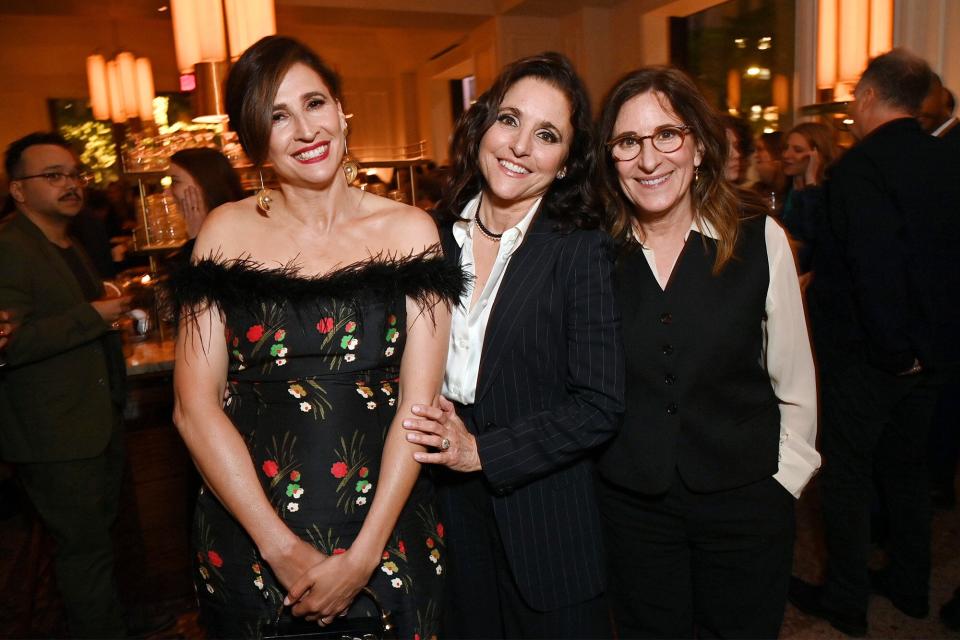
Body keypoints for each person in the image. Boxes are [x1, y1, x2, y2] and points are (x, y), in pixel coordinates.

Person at [164, 36, 461, 638]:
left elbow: (419, 405)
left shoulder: (410, 231)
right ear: (254, 142)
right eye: (277, 116)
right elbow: (193, 409)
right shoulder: (222, 233)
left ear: (341, 111)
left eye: (315, 103)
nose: (305, 129)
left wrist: (365, 554)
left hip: (388, 528)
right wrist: (281, 550)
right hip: (251, 534)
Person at [401, 52, 624, 638]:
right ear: (482, 127)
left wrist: (481, 452)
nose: (520, 145)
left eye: (546, 134)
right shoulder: (427, 238)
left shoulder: (579, 250)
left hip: (545, 519)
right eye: (510, 120)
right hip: (444, 513)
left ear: (568, 161)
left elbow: (599, 405)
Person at [593, 66, 819, 639]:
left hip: (746, 500)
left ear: (697, 145)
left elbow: (793, 376)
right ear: (610, 158)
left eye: (667, 134)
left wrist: (782, 482)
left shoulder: (757, 235)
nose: (649, 160)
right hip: (634, 508)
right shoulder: (595, 253)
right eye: (628, 142)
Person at [790, 49, 960, 637]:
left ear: (867, 96)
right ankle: (911, 587)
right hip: (936, 351)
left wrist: (893, 352)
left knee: (848, 475)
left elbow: (874, 267)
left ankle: (845, 598)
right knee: (907, 471)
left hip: (873, 356)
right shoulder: (947, 159)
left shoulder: (861, 170)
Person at [0, 132, 131, 637]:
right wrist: (93, 315)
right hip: (54, 435)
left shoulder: (67, 241)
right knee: (85, 555)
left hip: (94, 421)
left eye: (74, 174)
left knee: (99, 547)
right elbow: (12, 342)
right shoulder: (10, 248)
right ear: (18, 190)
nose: (70, 184)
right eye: (52, 176)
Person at [779, 122, 839, 274]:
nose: (786, 155)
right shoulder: (785, 189)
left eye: (797, 150)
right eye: (786, 148)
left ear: (816, 155)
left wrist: (811, 180)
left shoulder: (828, 192)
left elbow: (814, 234)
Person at [168, 147, 245, 241]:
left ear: (204, 184)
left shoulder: (237, 227)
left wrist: (196, 236)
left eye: (175, 181)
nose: (166, 192)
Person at [752, 130, 787, 213]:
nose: (755, 155)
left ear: (776, 153)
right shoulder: (757, 191)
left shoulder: (791, 193)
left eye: (760, 149)